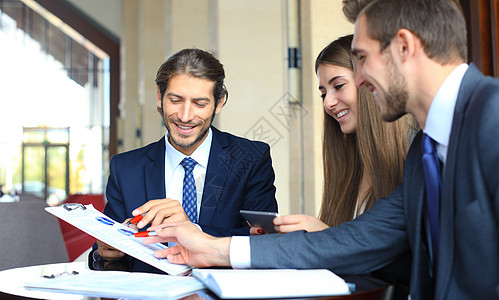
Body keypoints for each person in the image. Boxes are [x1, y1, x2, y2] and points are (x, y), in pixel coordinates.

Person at [141, 1, 499, 299]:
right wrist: (211, 248)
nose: (359, 80)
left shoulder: (493, 116)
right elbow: (359, 240)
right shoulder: (425, 152)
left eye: (362, 57)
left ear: (404, 47)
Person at [89, 48, 278, 272]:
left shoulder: (251, 159)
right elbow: (109, 251)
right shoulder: (126, 168)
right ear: (160, 98)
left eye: (199, 103)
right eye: (176, 100)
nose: (185, 116)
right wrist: (105, 253)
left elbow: (266, 242)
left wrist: (192, 229)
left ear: (219, 103)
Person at [259, 35, 413, 235]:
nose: (327, 103)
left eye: (338, 86)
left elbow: (394, 251)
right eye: (323, 93)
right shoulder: (351, 162)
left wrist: (324, 235)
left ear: (369, 84)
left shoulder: (414, 153)